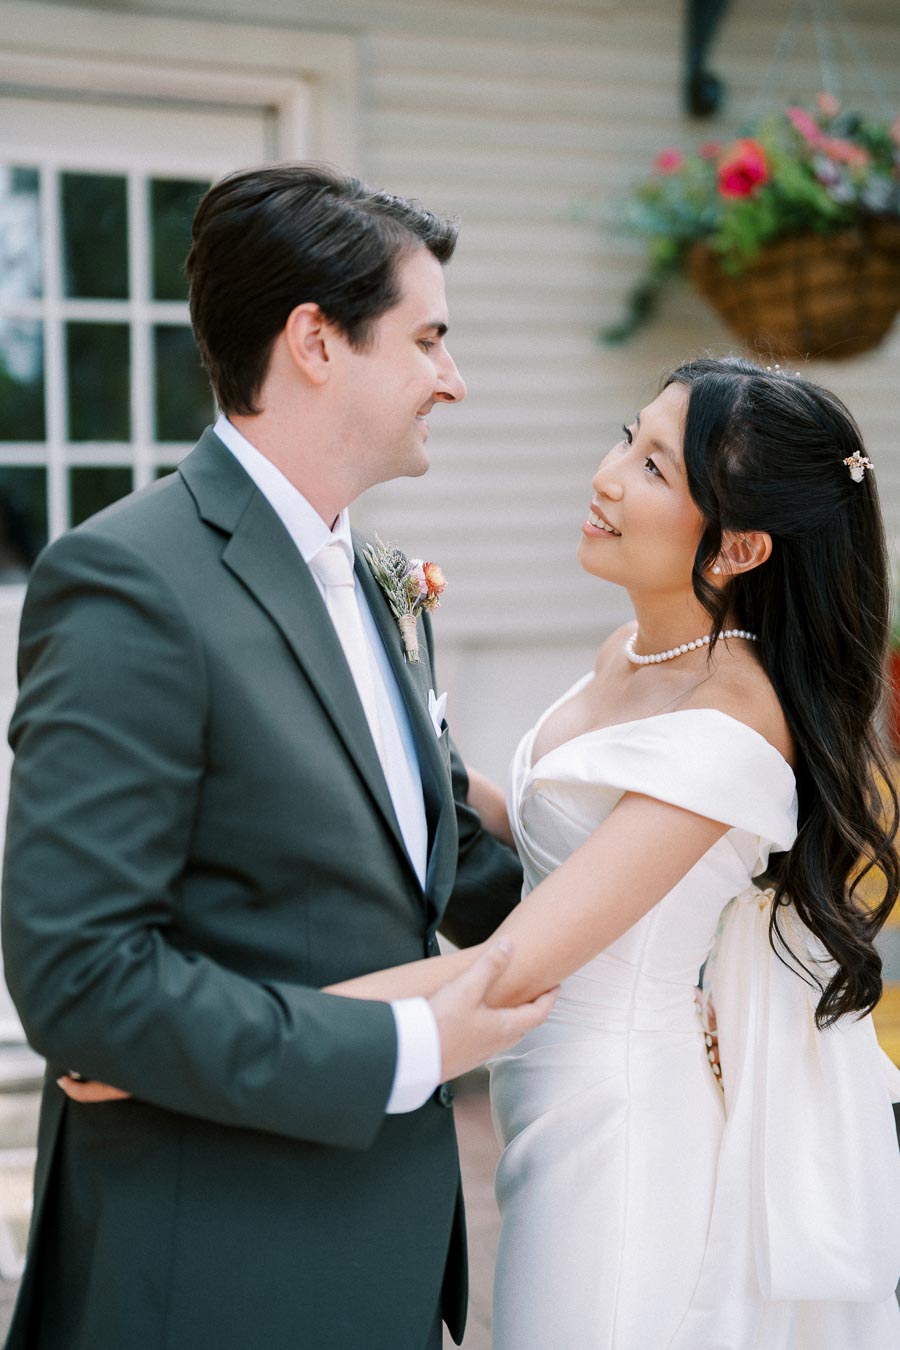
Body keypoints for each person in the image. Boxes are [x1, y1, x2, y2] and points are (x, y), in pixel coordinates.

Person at [0, 164, 556, 1350]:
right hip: (211, 1270)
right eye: (428, 340)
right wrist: (416, 1039)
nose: (452, 381)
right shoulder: (132, 582)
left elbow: (440, 851)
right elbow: (82, 983)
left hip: (378, 1259)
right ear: (315, 341)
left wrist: (679, 893)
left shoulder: (379, 579)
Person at [299, 357, 900, 1346]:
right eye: (630, 435)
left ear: (740, 546)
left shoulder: (728, 732)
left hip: (617, 1135)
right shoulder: (634, 653)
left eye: (657, 468)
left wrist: (212, 1037)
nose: (608, 474)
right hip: (548, 1099)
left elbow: (508, 965)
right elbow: (538, 834)